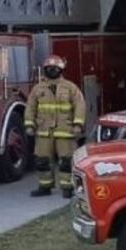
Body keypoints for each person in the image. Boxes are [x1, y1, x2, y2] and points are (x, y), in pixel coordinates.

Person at [25, 55, 86, 199]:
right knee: (42, 161)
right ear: (45, 70)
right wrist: (29, 125)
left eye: (55, 68)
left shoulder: (71, 88)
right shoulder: (38, 89)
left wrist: (78, 124)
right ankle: (44, 186)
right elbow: (30, 108)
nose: (52, 71)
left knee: (66, 161)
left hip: (65, 131)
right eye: (49, 68)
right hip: (44, 131)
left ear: (61, 70)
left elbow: (80, 106)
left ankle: (68, 188)